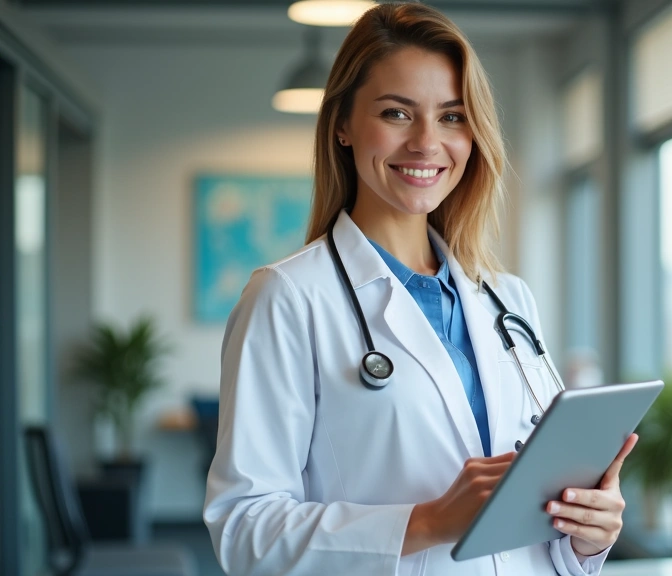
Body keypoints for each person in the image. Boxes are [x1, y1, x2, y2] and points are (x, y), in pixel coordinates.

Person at [203, 3, 637, 574]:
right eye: (397, 113)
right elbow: (244, 531)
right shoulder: (287, 298)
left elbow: (530, 522)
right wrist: (428, 521)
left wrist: (585, 533)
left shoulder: (506, 298)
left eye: (452, 116)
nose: (427, 143)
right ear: (342, 125)